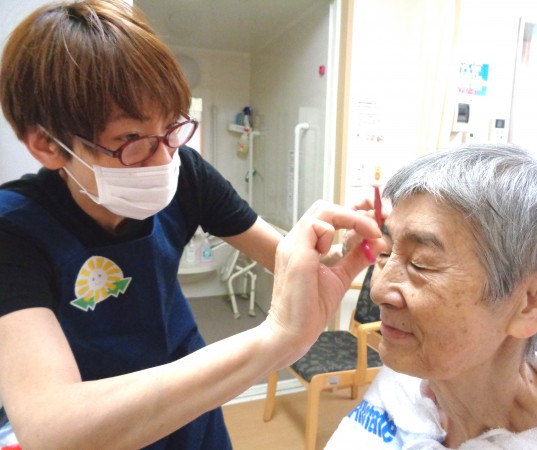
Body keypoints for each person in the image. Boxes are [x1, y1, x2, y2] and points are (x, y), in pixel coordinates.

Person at [0, 1, 384, 448]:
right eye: (130, 139)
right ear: (48, 146)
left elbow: (285, 259)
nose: (164, 160)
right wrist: (274, 339)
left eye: (170, 128)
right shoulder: (14, 230)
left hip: (192, 400)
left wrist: (337, 254)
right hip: (105, 420)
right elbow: (53, 428)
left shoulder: (188, 174)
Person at [326, 144, 537, 449]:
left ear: (535, 298)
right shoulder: (411, 371)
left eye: (422, 262)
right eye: (385, 251)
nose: (378, 291)